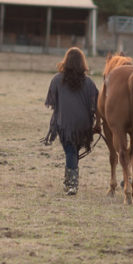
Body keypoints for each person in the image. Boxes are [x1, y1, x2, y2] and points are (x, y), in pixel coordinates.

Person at [44, 47, 99, 195]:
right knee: (73, 152)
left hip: (65, 123)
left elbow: (53, 103)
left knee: (70, 151)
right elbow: (96, 105)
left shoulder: (56, 80)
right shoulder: (89, 83)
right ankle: (69, 180)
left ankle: (72, 184)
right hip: (84, 125)